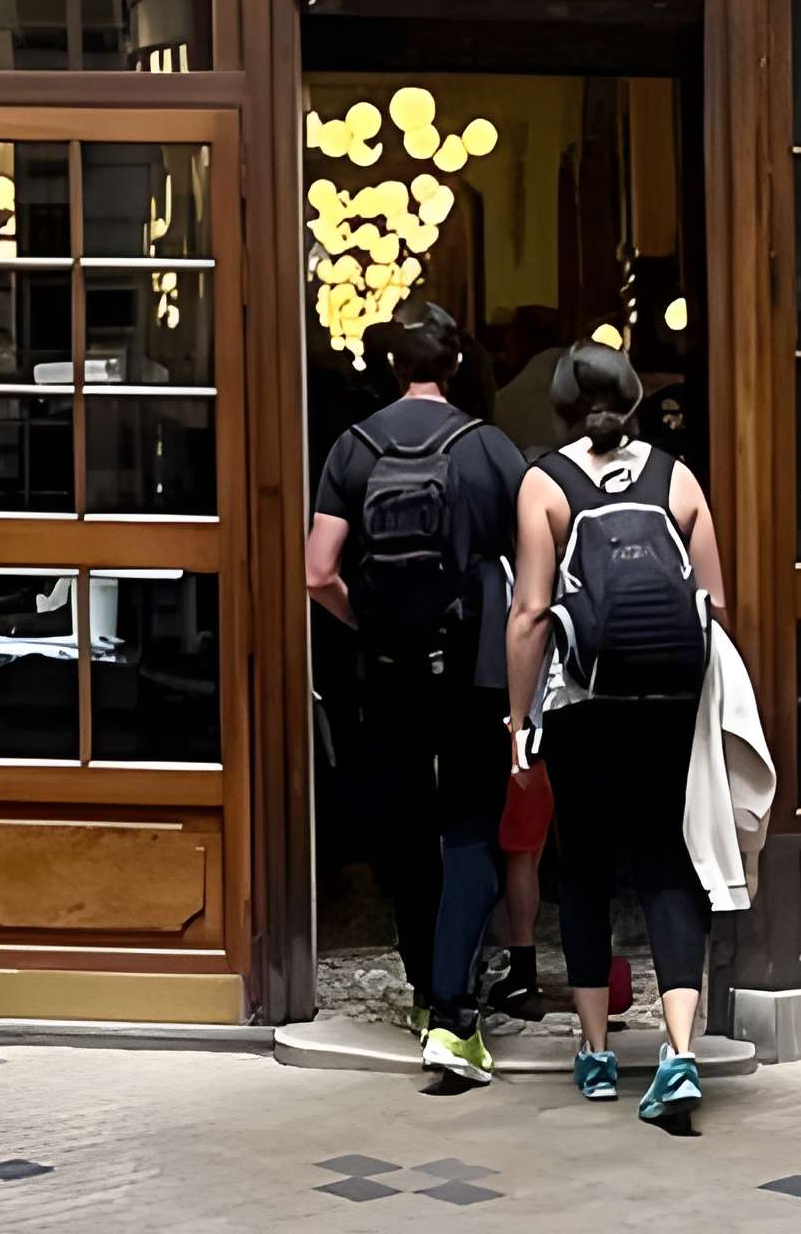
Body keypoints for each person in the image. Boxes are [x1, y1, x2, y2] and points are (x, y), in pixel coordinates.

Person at [505, 340, 727, 1127]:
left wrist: (519, 721)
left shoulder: (546, 482)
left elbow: (531, 611)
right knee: (670, 862)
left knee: (585, 868)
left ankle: (596, 1054)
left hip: (583, 703)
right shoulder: (679, 476)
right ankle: (679, 1053)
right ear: (633, 400)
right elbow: (713, 604)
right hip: (669, 701)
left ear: (563, 406)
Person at [306, 299, 528, 1084]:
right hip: (473, 670)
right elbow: (537, 564)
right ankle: (454, 1011)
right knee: (471, 825)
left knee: (402, 828)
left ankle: (418, 990)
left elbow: (316, 570)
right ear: (457, 365)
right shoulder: (490, 448)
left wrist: (367, 623)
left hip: (387, 671)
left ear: (392, 366)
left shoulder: (353, 447)